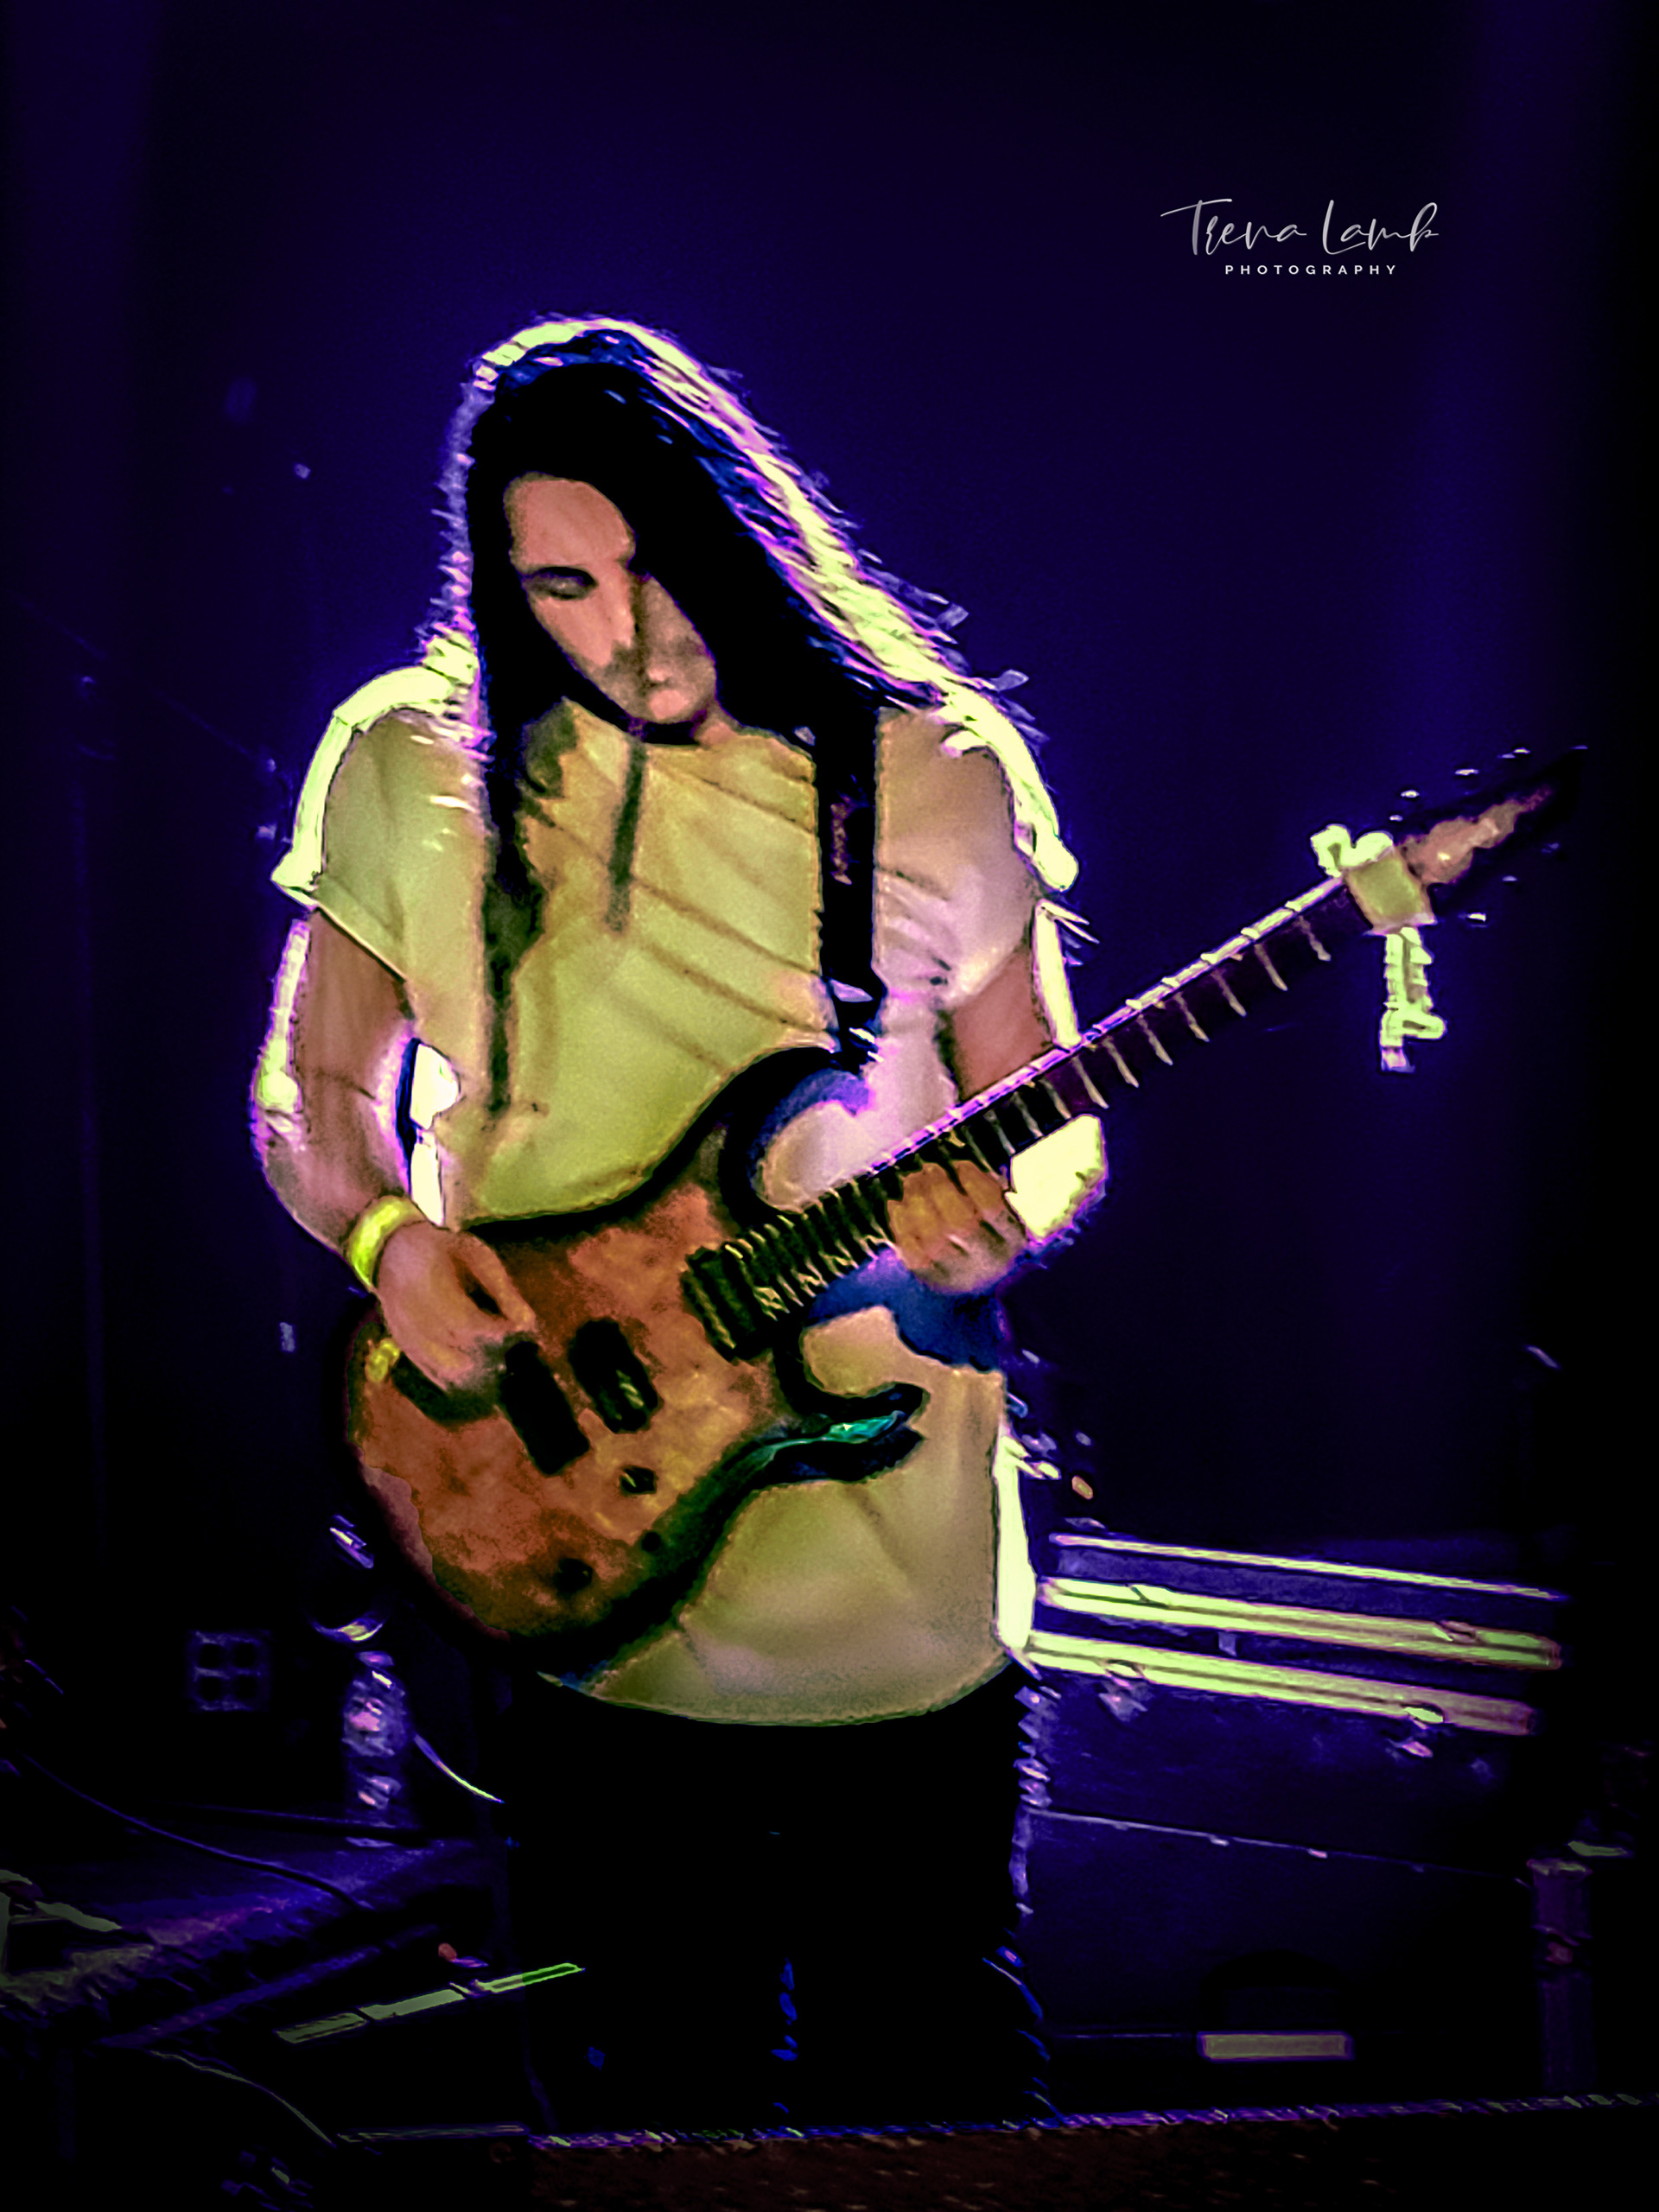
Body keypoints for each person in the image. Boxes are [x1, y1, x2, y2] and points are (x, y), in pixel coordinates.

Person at [252, 316, 1104, 2131]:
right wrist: (390, 1242)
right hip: (585, 1588)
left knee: (944, 2112)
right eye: (560, 586)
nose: (625, 628)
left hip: (907, 1610)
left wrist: (1002, 1216)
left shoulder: (935, 768)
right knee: (645, 2122)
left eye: (656, 568)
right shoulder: (411, 762)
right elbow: (310, 1092)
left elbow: (1053, 1110)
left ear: (739, 528)